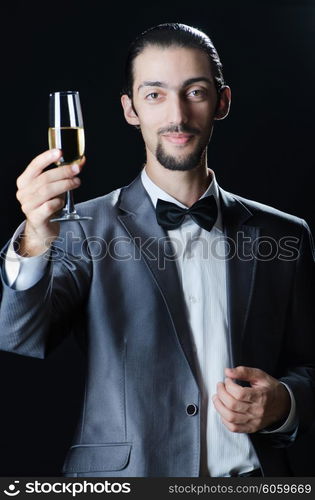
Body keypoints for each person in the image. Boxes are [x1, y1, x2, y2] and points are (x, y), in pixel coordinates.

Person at [0, 22, 314, 478]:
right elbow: (18, 334)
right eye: (155, 95)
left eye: (195, 92)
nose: (178, 116)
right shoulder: (82, 227)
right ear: (130, 110)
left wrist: (284, 403)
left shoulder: (287, 233)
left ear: (222, 102)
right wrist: (34, 235)